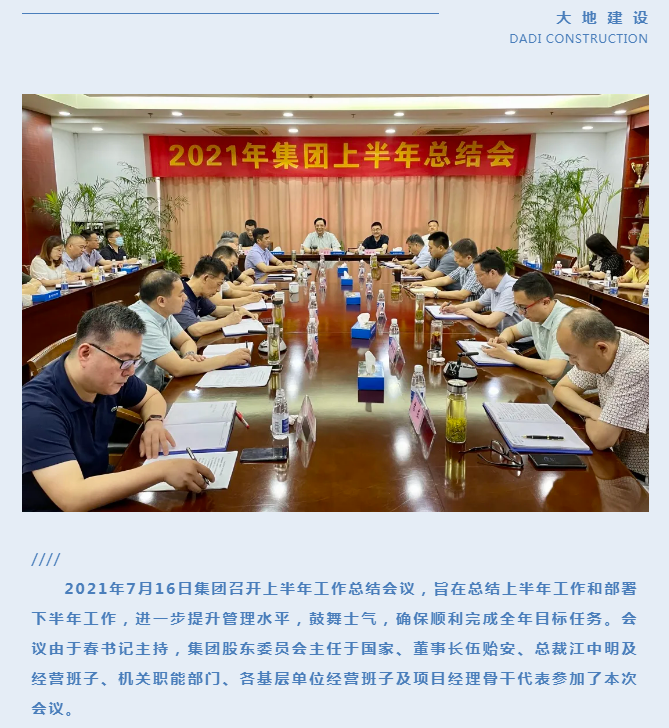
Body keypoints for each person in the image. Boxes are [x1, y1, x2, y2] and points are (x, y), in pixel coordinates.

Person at [22, 303, 214, 511]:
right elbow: (73, 498)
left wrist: (154, 422)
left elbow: (152, 397)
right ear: (85, 353)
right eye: (125, 361)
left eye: (135, 361)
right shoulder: (36, 410)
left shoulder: (107, 378)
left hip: (100, 482)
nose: (130, 372)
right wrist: (162, 471)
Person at [554, 309, 648, 480]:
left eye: (574, 356)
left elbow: (601, 439)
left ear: (602, 348)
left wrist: (597, 420)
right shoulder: (604, 351)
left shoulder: (637, 365)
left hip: (643, 475)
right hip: (618, 461)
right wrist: (594, 412)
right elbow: (562, 388)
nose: (571, 363)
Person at [129, 269, 251, 390]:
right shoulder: (142, 323)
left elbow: (185, 341)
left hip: (155, 386)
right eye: (180, 294)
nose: (185, 297)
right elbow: (178, 368)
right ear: (161, 301)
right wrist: (227, 359)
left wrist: (190, 354)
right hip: (138, 395)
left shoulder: (161, 310)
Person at [483, 271, 572, 384]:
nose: (520, 313)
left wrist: (507, 355)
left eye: (523, 307)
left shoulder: (565, 322)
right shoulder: (537, 315)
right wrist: (503, 340)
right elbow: (512, 331)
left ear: (545, 302)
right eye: (517, 306)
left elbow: (554, 370)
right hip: (545, 381)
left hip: (566, 389)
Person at [440, 249, 531, 343]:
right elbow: (477, 304)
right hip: (498, 336)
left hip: (517, 343)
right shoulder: (494, 286)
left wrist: (471, 314)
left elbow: (491, 322)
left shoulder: (511, 289)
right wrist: (454, 308)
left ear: (492, 273)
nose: (477, 280)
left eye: (478, 275)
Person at [174, 255, 256, 339]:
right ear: (206, 278)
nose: (218, 290)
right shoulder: (180, 295)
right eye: (218, 284)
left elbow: (214, 310)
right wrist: (228, 321)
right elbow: (195, 330)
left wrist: (238, 309)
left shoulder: (198, 293)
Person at [413, 238, 483, 301]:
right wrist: (422, 284)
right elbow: (446, 279)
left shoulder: (477, 271)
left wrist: (435, 293)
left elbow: (462, 295)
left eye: (457, 258)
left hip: (475, 309)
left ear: (468, 258)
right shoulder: (462, 267)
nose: (455, 260)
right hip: (464, 306)